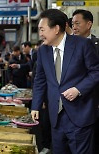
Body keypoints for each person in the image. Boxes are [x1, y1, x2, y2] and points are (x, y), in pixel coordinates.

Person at [31, 9, 99, 154]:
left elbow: (96, 71)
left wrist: (78, 89)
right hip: (56, 117)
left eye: (42, 29)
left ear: (56, 29)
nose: (40, 34)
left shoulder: (82, 45)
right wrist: (35, 106)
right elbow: (40, 80)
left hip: (81, 115)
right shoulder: (43, 51)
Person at [72, 9, 99, 154]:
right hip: (72, 103)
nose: (74, 27)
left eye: (77, 23)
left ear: (89, 24)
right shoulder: (68, 46)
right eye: (72, 24)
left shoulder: (97, 45)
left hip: (93, 103)